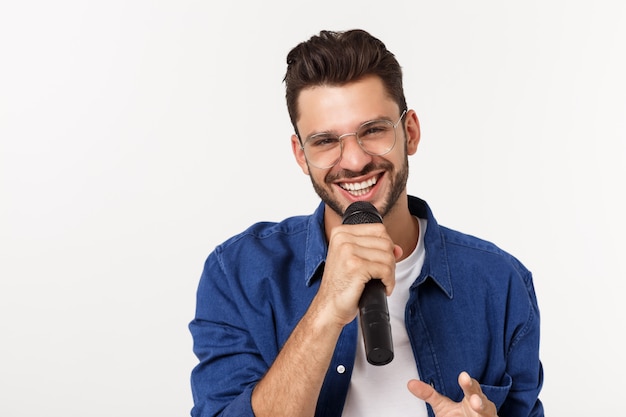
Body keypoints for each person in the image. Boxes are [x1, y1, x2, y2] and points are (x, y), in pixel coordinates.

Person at [189, 29, 544, 417]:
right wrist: (326, 309)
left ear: (409, 132)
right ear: (301, 155)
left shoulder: (501, 283)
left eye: (373, 130)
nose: (355, 161)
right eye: (325, 141)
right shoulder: (238, 275)